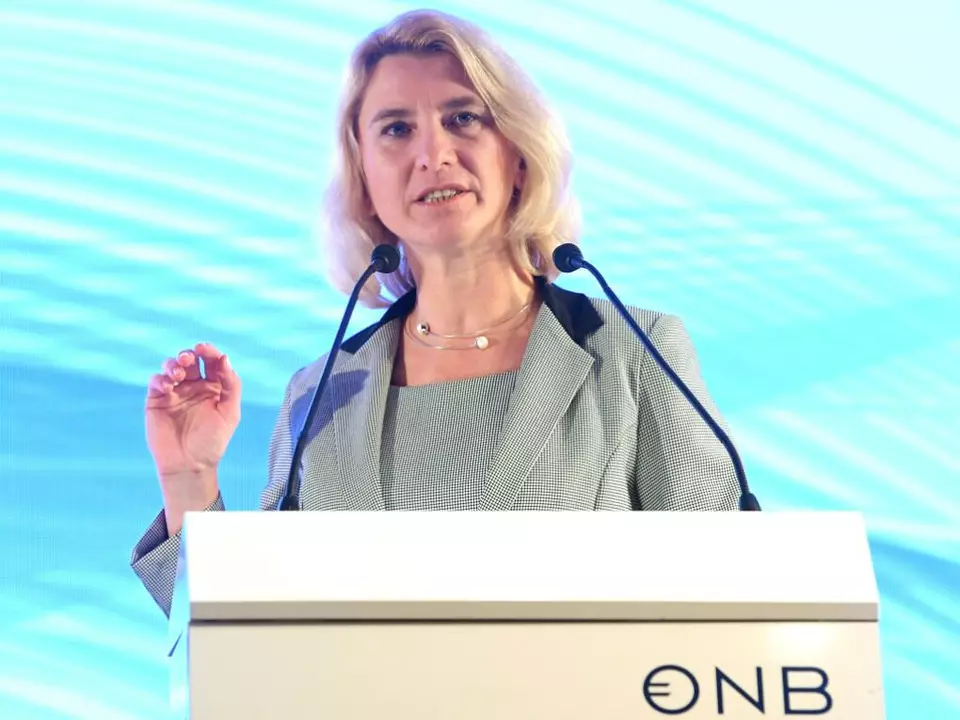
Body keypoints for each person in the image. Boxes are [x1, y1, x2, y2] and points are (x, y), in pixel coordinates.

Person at [131, 9, 742, 618]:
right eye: (397, 129)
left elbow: (733, 589)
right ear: (365, 178)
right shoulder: (319, 394)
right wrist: (190, 477)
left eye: (463, 118)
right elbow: (247, 631)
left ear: (518, 154)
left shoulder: (636, 351)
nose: (433, 153)